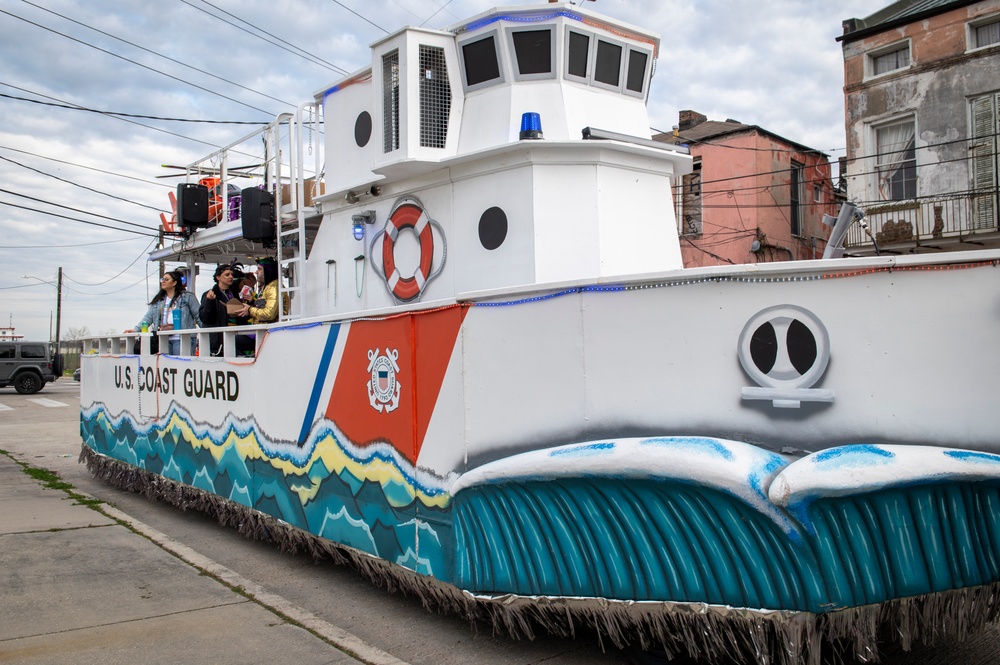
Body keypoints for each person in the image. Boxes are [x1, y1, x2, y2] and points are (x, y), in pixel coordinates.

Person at [128, 270, 201, 355]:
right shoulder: (159, 300)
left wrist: (209, 335)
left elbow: (199, 316)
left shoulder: (187, 297)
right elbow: (148, 318)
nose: (163, 281)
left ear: (174, 283)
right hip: (163, 339)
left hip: (182, 338)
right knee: (166, 365)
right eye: (162, 279)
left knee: (180, 364)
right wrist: (135, 330)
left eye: (166, 279)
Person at [199, 263, 253, 356]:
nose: (231, 277)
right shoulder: (210, 294)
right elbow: (204, 317)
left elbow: (243, 316)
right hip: (220, 338)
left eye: (232, 275)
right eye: (227, 275)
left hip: (236, 334)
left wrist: (250, 303)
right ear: (218, 277)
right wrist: (210, 302)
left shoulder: (234, 294)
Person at [235, 257, 285, 325]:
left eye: (259, 269)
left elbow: (269, 314)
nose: (256, 272)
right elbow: (263, 307)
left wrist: (249, 310)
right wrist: (252, 302)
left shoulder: (273, 288)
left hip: (271, 331)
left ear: (268, 271)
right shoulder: (268, 287)